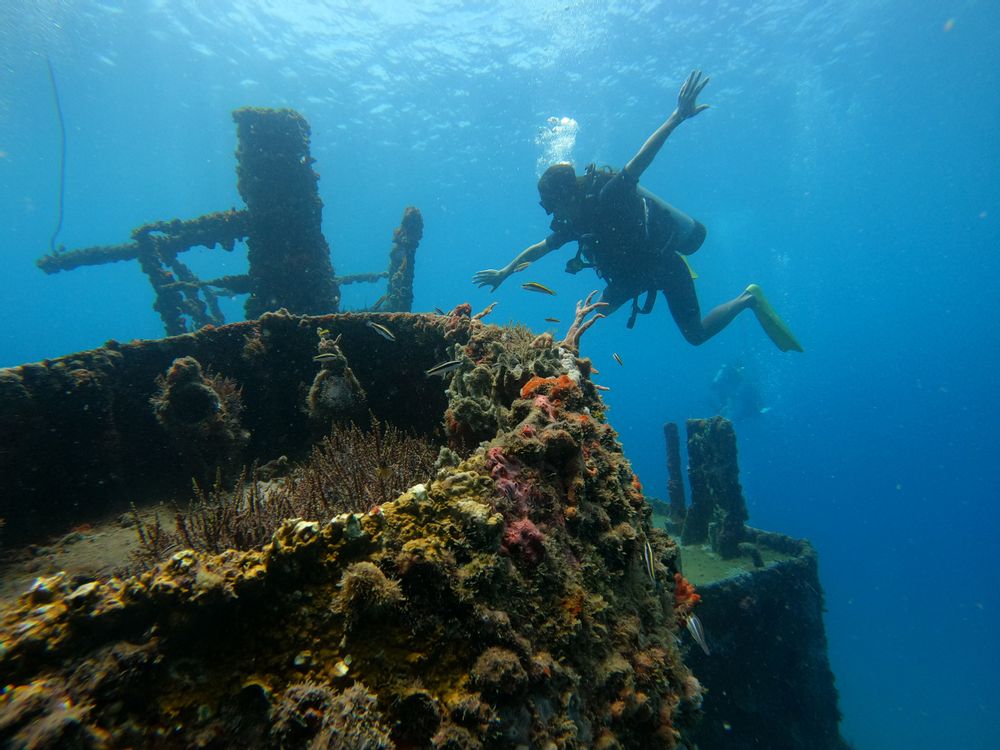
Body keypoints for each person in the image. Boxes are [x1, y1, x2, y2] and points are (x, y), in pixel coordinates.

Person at [473, 70, 803, 352]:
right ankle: (565, 348)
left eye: (551, 205)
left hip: (663, 265)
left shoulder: (608, 194)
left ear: (567, 195)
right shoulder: (575, 222)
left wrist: (676, 118)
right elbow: (540, 249)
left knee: (695, 334)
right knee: (597, 310)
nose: (551, 215)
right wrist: (505, 271)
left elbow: (640, 160)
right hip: (631, 276)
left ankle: (748, 299)